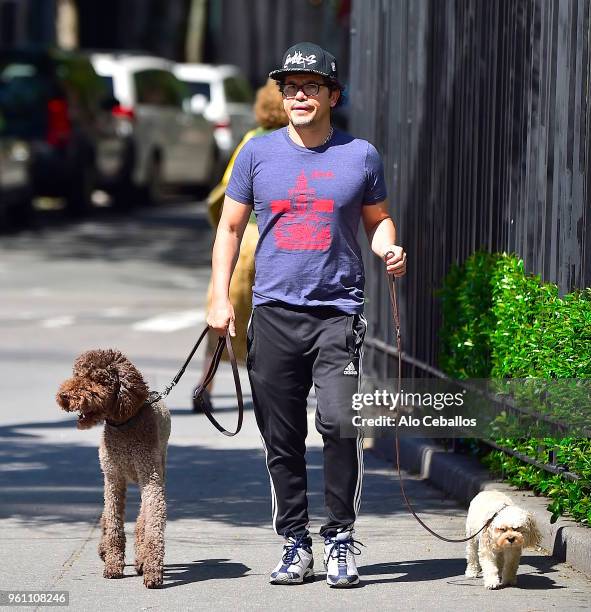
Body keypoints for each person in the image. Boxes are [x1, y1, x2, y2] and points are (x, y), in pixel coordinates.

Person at [206, 42, 407, 587]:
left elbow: (378, 219)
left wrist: (387, 245)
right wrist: (219, 298)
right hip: (272, 311)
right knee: (282, 434)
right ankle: (296, 541)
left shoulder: (360, 155)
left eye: (310, 86)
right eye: (290, 87)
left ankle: (340, 537)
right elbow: (228, 228)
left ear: (332, 95)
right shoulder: (256, 155)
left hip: (337, 314)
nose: (298, 95)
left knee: (339, 425)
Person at [194, 80, 288, 413]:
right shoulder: (301, 141)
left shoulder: (252, 139)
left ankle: (205, 384)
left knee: (222, 314)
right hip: (280, 240)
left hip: (245, 238)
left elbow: (227, 190)